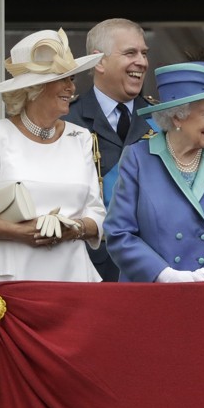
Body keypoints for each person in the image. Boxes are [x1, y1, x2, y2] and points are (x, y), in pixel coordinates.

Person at [0, 29, 107, 282]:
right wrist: (20, 232)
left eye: (71, 79)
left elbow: (96, 213)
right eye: (63, 79)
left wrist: (74, 229)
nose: (71, 87)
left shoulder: (80, 137)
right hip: (9, 277)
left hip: (72, 276)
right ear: (34, 88)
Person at [104, 61, 204, 282]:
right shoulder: (138, 159)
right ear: (177, 117)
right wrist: (162, 275)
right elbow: (118, 232)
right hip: (151, 294)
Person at [64, 18, 156, 281]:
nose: (142, 62)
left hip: (151, 266)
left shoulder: (163, 120)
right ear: (99, 62)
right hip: (86, 265)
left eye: (144, 53)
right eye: (130, 53)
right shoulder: (66, 118)